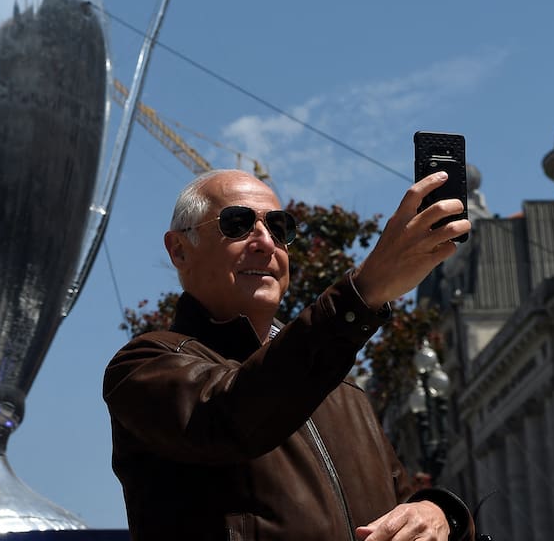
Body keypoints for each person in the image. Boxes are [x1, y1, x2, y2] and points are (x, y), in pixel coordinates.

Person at [104, 168, 476, 541]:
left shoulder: (344, 389)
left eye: (279, 228)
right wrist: (362, 293)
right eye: (237, 223)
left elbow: (399, 506)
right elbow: (231, 418)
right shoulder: (141, 366)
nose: (266, 242)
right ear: (179, 249)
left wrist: (438, 513)